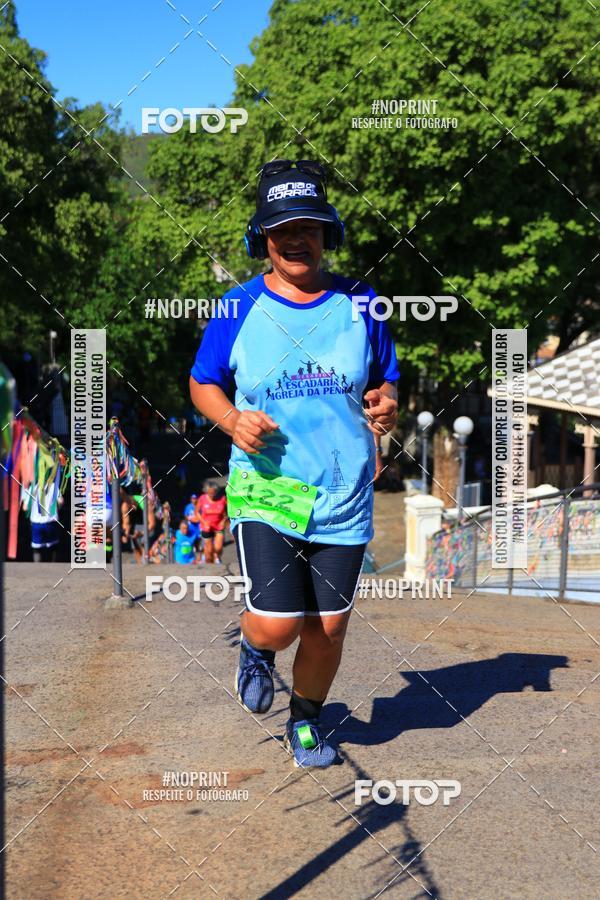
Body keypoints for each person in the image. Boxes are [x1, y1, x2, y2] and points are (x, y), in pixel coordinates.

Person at [189, 159, 398, 768]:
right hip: (268, 487)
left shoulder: (365, 304)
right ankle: (255, 649)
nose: (296, 239)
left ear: (326, 233)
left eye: (309, 226)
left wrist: (386, 408)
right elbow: (203, 383)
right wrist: (232, 420)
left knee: (328, 628)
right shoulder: (238, 306)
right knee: (280, 624)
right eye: (282, 230)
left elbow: (385, 383)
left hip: (343, 490)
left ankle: (304, 722)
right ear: (265, 239)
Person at [197, 481, 227, 564]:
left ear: (216, 492)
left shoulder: (222, 499)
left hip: (218, 526)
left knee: (218, 548)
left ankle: (217, 557)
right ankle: (209, 564)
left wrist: (223, 521)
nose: (211, 495)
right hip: (207, 527)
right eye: (209, 493)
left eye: (213, 493)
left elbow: (227, 513)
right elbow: (197, 512)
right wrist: (203, 522)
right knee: (209, 552)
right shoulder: (202, 498)